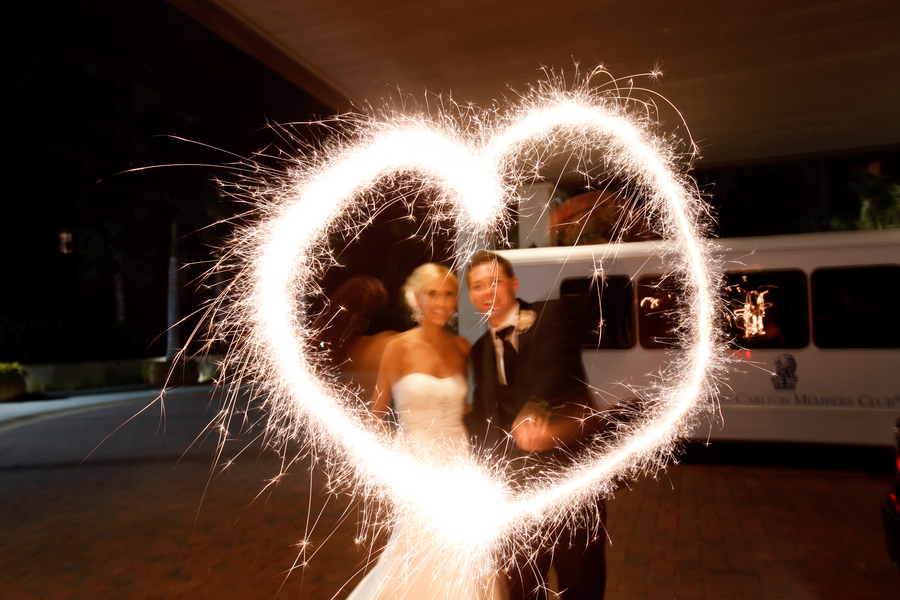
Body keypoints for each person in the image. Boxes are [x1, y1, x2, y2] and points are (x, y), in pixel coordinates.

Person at [347, 263, 501, 600]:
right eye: (433, 293)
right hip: (417, 467)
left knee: (463, 553)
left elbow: (467, 410)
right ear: (416, 297)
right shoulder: (397, 348)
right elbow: (375, 416)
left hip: (459, 465)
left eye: (449, 293)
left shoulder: (463, 349)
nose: (443, 302)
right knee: (416, 552)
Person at [465, 250, 606, 600]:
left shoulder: (551, 315)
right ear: (471, 295)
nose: (488, 291)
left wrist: (536, 404)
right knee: (523, 587)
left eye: (495, 281)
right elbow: (487, 417)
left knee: (581, 582)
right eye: (477, 286)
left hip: (569, 483)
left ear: (513, 283)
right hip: (515, 495)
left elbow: (557, 367)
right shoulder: (479, 349)